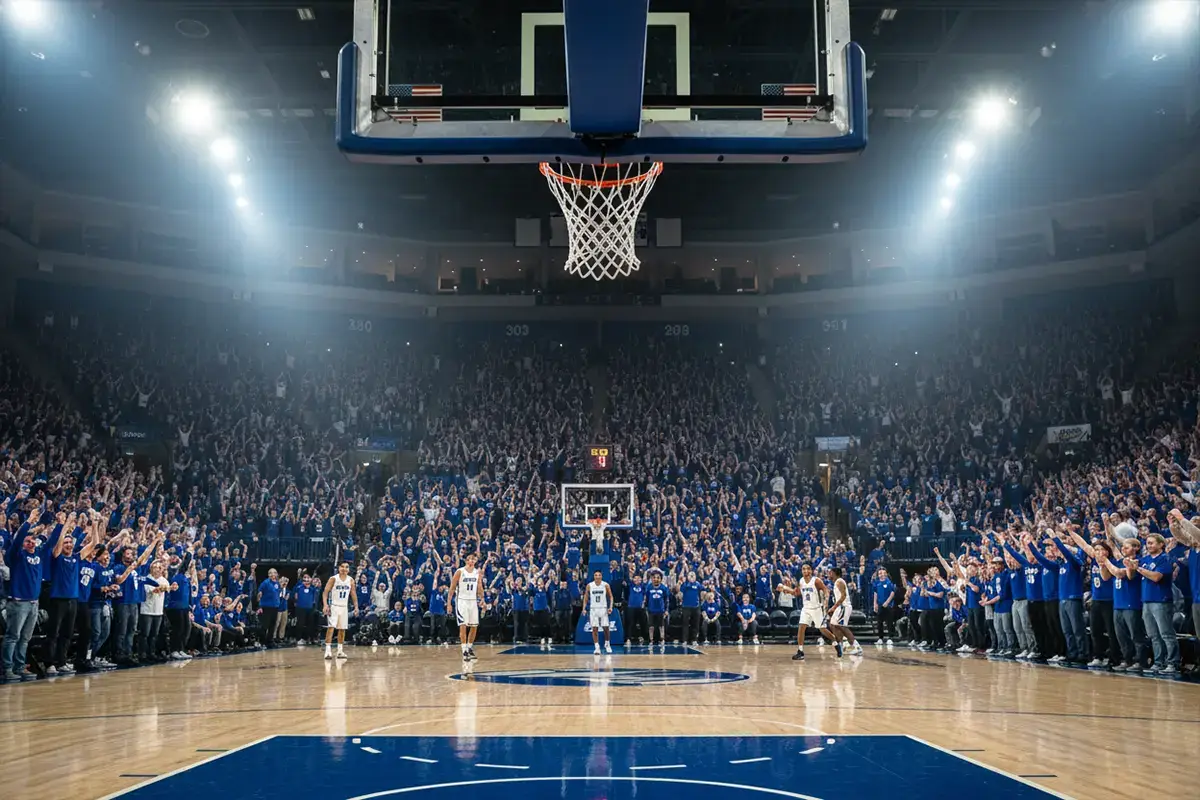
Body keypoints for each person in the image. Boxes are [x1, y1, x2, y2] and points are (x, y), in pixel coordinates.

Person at [783, 563, 841, 661]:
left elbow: (826, 590)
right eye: (803, 569)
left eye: (808, 569)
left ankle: (835, 642)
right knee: (801, 627)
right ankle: (800, 652)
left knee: (822, 629)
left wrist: (826, 600)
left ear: (811, 570)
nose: (806, 571)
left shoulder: (816, 581)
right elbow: (797, 593)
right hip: (806, 608)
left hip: (817, 608)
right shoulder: (801, 581)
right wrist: (787, 590)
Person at [447, 552, 482, 661]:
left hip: (473, 601)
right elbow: (452, 588)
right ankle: (464, 650)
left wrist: (483, 599)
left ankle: (470, 647)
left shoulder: (477, 573)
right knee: (463, 625)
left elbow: (479, 587)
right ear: (466, 560)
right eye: (470, 559)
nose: (472, 560)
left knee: (474, 626)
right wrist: (449, 603)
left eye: (474, 559)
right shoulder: (460, 571)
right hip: (462, 601)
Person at [323, 561, 358, 660]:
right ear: (339, 568)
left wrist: (356, 607)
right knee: (331, 628)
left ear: (349, 569)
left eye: (346, 567)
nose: (344, 569)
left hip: (344, 607)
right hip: (334, 606)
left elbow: (353, 594)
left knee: (342, 629)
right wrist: (325, 605)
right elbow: (325, 592)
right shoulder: (333, 579)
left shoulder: (351, 580)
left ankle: (340, 651)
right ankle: (328, 651)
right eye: (342, 566)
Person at [827, 567, 862, 655]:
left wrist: (833, 607)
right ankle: (844, 643)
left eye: (830, 573)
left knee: (842, 626)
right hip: (840, 607)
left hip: (844, 606)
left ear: (835, 573)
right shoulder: (836, 582)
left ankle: (857, 647)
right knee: (832, 624)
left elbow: (843, 596)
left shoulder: (839, 581)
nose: (829, 574)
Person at [584, 569, 613, 654]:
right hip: (593, 608)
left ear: (601, 576)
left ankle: (607, 644)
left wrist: (610, 607)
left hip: (603, 608)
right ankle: (597, 647)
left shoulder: (605, 585)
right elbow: (586, 598)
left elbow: (611, 597)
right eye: (596, 575)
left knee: (606, 627)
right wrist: (584, 608)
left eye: (599, 575)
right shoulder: (590, 585)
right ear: (594, 576)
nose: (597, 576)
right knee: (594, 628)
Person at [257, 568, 282, 648]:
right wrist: (259, 606)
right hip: (266, 606)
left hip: (275, 607)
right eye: (270, 573)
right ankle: (262, 642)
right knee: (265, 625)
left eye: (274, 572)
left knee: (272, 625)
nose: (272, 574)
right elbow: (259, 595)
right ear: (268, 575)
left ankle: (269, 641)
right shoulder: (265, 583)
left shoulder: (277, 583)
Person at [871, 567, 895, 646]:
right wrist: (875, 603)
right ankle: (880, 638)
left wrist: (887, 602)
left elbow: (892, 593)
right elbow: (875, 593)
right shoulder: (877, 583)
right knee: (879, 622)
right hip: (880, 605)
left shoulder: (889, 582)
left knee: (889, 622)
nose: (882, 575)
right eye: (880, 573)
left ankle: (890, 638)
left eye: (883, 573)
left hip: (888, 606)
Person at [678, 570, 702, 647]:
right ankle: (685, 640)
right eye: (690, 575)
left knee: (695, 624)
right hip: (686, 607)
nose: (691, 576)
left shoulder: (698, 584)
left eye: (693, 575)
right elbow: (680, 594)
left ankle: (694, 640)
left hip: (696, 607)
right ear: (687, 577)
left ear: (695, 577)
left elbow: (702, 592)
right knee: (685, 624)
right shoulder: (685, 584)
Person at [645, 570, 668, 647]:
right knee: (651, 626)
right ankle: (651, 640)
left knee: (661, 626)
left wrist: (666, 610)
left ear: (660, 579)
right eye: (654, 577)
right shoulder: (649, 587)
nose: (656, 579)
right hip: (651, 610)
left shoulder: (663, 588)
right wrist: (646, 608)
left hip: (660, 610)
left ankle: (662, 639)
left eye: (658, 577)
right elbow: (646, 598)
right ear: (652, 578)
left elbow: (666, 600)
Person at [625, 572, 648, 645]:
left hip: (641, 608)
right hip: (631, 607)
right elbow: (627, 577)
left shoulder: (643, 586)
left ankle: (644, 638)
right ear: (633, 579)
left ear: (641, 579)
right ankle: (628, 638)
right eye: (635, 578)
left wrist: (644, 603)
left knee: (643, 623)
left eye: (639, 578)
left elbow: (645, 595)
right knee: (631, 623)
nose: (637, 579)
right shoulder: (631, 585)